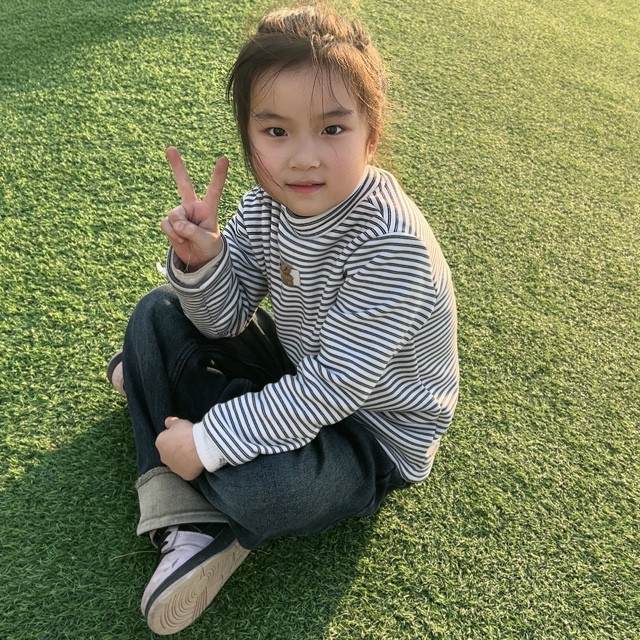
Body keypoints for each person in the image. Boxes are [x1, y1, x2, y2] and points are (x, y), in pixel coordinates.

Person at [107, 2, 459, 635]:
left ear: (370, 134)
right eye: (276, 131)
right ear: (249, 138)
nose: (303, 158)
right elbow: (224, 318)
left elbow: (334, 389)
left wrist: (209, 441)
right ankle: (181, 468)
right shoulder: (265, 206)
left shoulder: (393, 246)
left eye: (332, 129)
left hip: (371, 435)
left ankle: (176, 450)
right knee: (158, 311)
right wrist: (205, 259)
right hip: (297, 369)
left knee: (267, 490)